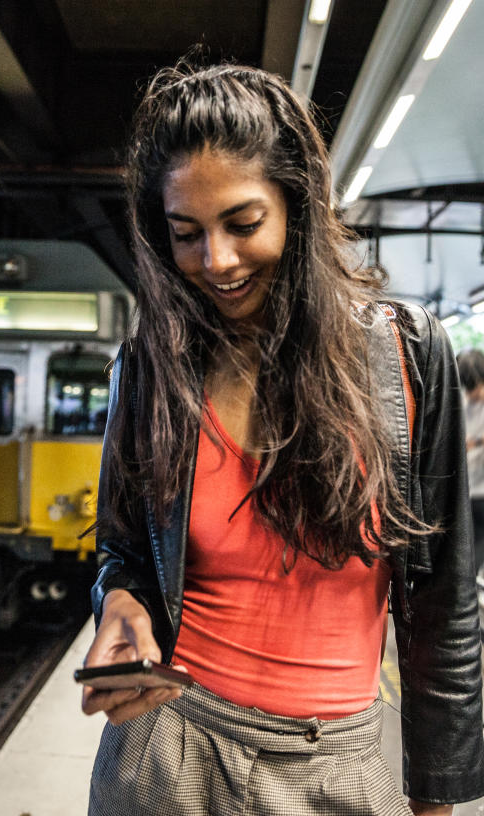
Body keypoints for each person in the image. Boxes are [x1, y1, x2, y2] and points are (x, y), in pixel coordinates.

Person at [81, 63, 484, 816]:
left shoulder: (404, 359)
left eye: (242, 224)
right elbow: (123, 550)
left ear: (298, 208)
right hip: (168, 752)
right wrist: (119, 604)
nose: (216, 261)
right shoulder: (150, 369)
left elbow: (445, 601)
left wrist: (439, 795)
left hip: (339, 768)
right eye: (186, 235)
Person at [457, 348, 484, 573]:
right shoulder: (464, 405)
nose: (475, 393)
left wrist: (476, 442)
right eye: (471, 387)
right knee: (472, 548)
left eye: (478, 385)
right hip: (471, 491)